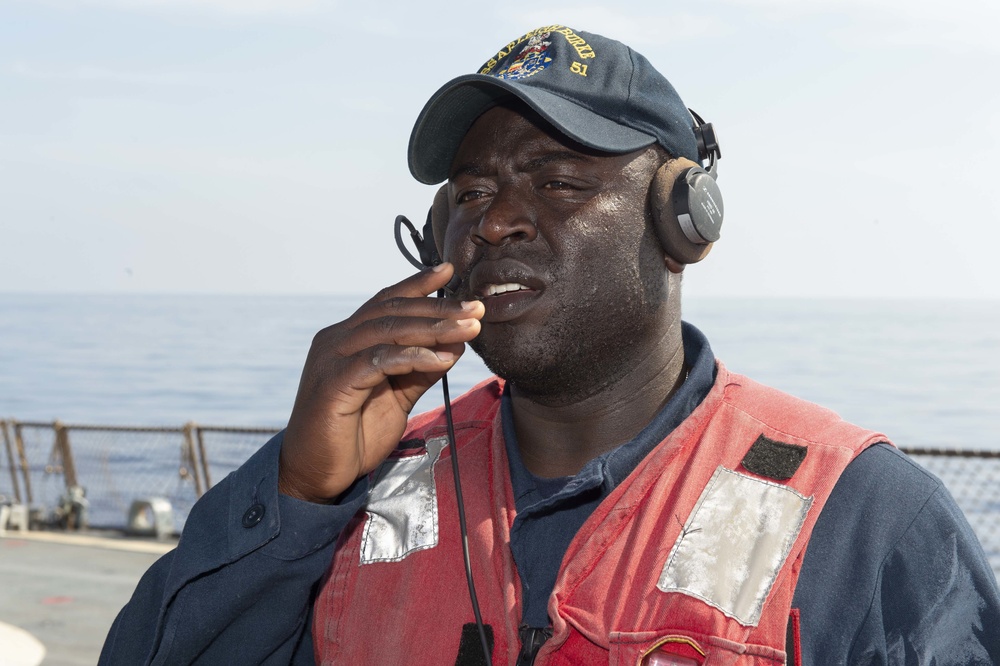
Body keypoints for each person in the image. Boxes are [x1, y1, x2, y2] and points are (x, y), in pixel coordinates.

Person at [100, 25, 1000, 665]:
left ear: (683, 220)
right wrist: (295, 493)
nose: (492, 221)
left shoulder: (867, 521)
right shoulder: (354, 497)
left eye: (561, 180)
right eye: (470, 190)